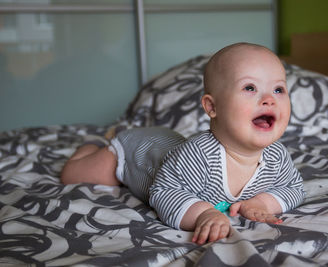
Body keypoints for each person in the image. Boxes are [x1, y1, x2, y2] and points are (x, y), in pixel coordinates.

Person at [61, 42, 305, 245]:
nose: (268, 100)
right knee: (73, 175)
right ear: (212, 107)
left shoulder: (277, 155)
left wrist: (260, 202)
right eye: (250, 87)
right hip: (136, 152)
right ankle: (90, 148)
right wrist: (204, 214)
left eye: (279, 90)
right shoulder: (198, 155)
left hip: (166, 142)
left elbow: (294, 188)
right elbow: (164, 193)